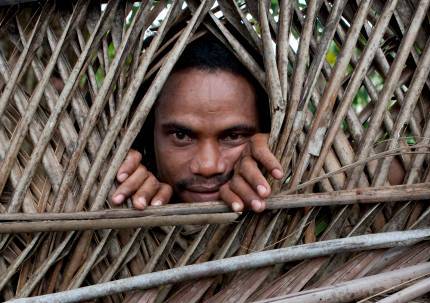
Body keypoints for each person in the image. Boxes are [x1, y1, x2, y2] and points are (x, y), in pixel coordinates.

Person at [111, 35, 404, 214]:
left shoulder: (303, 204)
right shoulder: (115, 192)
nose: (209, 165)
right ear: (147, 134)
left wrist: (293, 158)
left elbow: (402, 174)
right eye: (181, 135)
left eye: (233, 136)